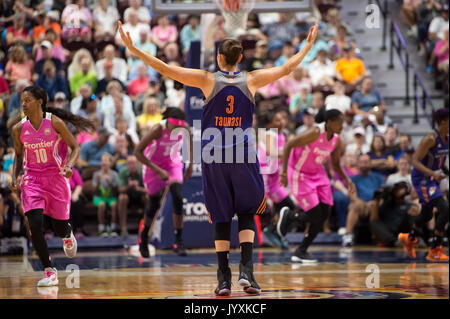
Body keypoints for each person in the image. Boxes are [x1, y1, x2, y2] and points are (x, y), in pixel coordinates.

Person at [118, 19, 318, 296]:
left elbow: (164, 68)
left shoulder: (206, 79)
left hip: (214, 155)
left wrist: (134, 49)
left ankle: (223, 278)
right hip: (243, 153)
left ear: (219, 57)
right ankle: (246, 272)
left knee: (222, 214)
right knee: (247, 211)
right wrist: (307, 47)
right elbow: (287, 68)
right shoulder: (252, 79)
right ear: (239, 59)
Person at [9, 85, 93, 286]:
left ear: (40, 101)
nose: (23, 104)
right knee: (35, 224)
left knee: (59, 226)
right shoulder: (18, 128)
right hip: (32, 179)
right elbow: (19, 155)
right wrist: (15, 175)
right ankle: (49, 271)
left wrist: (69, 166)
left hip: (56, 178)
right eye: (22, 100)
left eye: (27, 100)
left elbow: (74, 147)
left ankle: (67, 233)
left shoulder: (55, 123)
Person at [278, 108, 356, 262]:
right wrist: (284, 173)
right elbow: (289, 146)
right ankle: (290, 216)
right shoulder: (315, 132)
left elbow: (334, 164)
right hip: (300, 173)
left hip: (318, 174)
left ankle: (301, 250)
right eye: (339, 123)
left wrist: (347, 179)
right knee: (315, 214)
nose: (342, 126)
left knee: (324, 214)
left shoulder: (336, 140)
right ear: (330, 122)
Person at [134, 107, 193, 258]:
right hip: (153, 165)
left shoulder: (183, 128)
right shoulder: (157, 129)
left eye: (180, 127)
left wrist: (191, 165)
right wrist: (157, 170)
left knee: (178, 197)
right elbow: (137, 152)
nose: (178, 130)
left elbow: (190, 141)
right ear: (169, 122)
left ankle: (178, 241)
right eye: (176, 126)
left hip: (172, 163)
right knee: (154, 204)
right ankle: (144, 238)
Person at [407, 108, 449, 262]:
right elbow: (414, 161)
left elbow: (440, 159)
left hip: (432, 178)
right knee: (445, 209)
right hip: (423, 178)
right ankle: (435, 248)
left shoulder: (447, 138)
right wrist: (433, 174)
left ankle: (409, 238)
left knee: (427, 214)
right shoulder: (430, 138)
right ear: (443, 122)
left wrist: (445, 170)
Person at [257, 109, 295, 249]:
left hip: (275, 180)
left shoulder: (282, 136)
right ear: (272, 122)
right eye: (278, 120)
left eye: (284, 119)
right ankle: (271, 231)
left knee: (289, 207)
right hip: (264, 177)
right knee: (276, 207)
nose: (282, 122)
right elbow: (271, 152)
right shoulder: (268, 134)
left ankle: (274, 231)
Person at [342, 154, 385, 247]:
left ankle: (379, 236)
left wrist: (375, 202)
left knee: (377, 205)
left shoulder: (379, 177)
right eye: (362, 162)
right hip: (362, 206)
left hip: (377, 204)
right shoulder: (353, 179)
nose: (364, 164)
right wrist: (365, 204)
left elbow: (382, 193)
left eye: (366, 162)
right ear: (358, 164)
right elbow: (353, 196)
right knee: (354, 206)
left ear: (370, 163)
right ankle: (348, 236)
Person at [117, 155, 147, 238]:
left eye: (133, 163)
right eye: (129, 163)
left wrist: (139, 188)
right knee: (122, 197)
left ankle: (146, 227)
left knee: (148, 197)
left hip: (140, 196)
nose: (131, 165)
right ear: (126, 165)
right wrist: (128, 186)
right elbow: (119, 190)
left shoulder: (143, 172)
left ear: (138, 163)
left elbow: (149, 189)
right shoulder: (123, 172)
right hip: (128, 197)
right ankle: (123, 228)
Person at [92, 153, 119, 236]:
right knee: (102, 205)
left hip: (111, 197)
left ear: (110, 163)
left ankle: (113, 227)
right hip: (99, 197)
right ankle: (102, 228)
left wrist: (109, 182)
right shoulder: (96, 174)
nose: (104, 163)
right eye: (102, 161)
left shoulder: (114, 174)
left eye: (106, 160)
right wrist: (98, 182)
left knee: (114, 205)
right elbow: (94, 191)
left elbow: (116, 190)